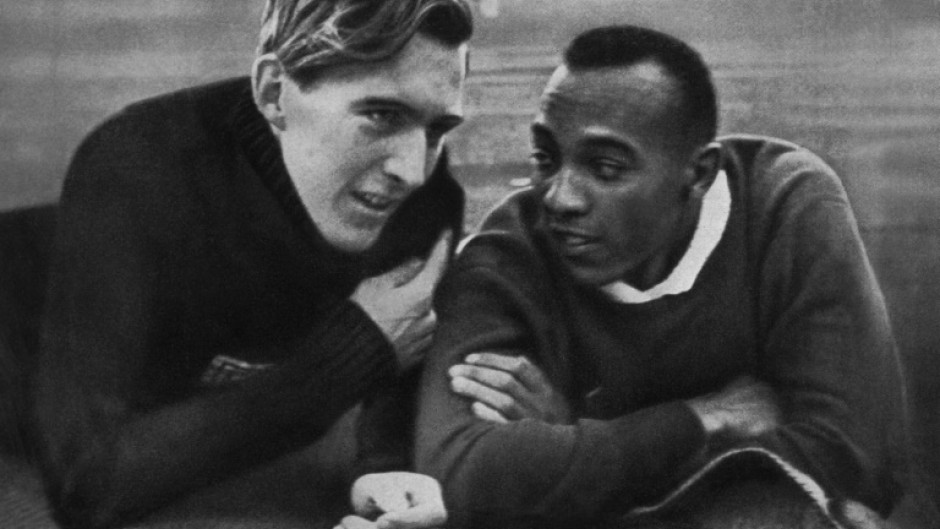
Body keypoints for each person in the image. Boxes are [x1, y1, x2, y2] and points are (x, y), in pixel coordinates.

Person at [415, 25, 909, 528]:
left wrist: (575, 444)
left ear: (698, 175)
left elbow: (856, 463)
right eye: (546, 158)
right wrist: (700, 420)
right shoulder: (507, 252)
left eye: (606, 167)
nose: (560, 198)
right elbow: (459, 473)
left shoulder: (782, 203)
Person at [30, 1, 472, 528]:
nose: (413, 169)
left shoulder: (427, 196)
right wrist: (351, 354)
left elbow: (401, 362)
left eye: (438, 127)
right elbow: (86, 484)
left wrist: (380, 469)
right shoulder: (135, 165)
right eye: (381, 115)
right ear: (273, 94)